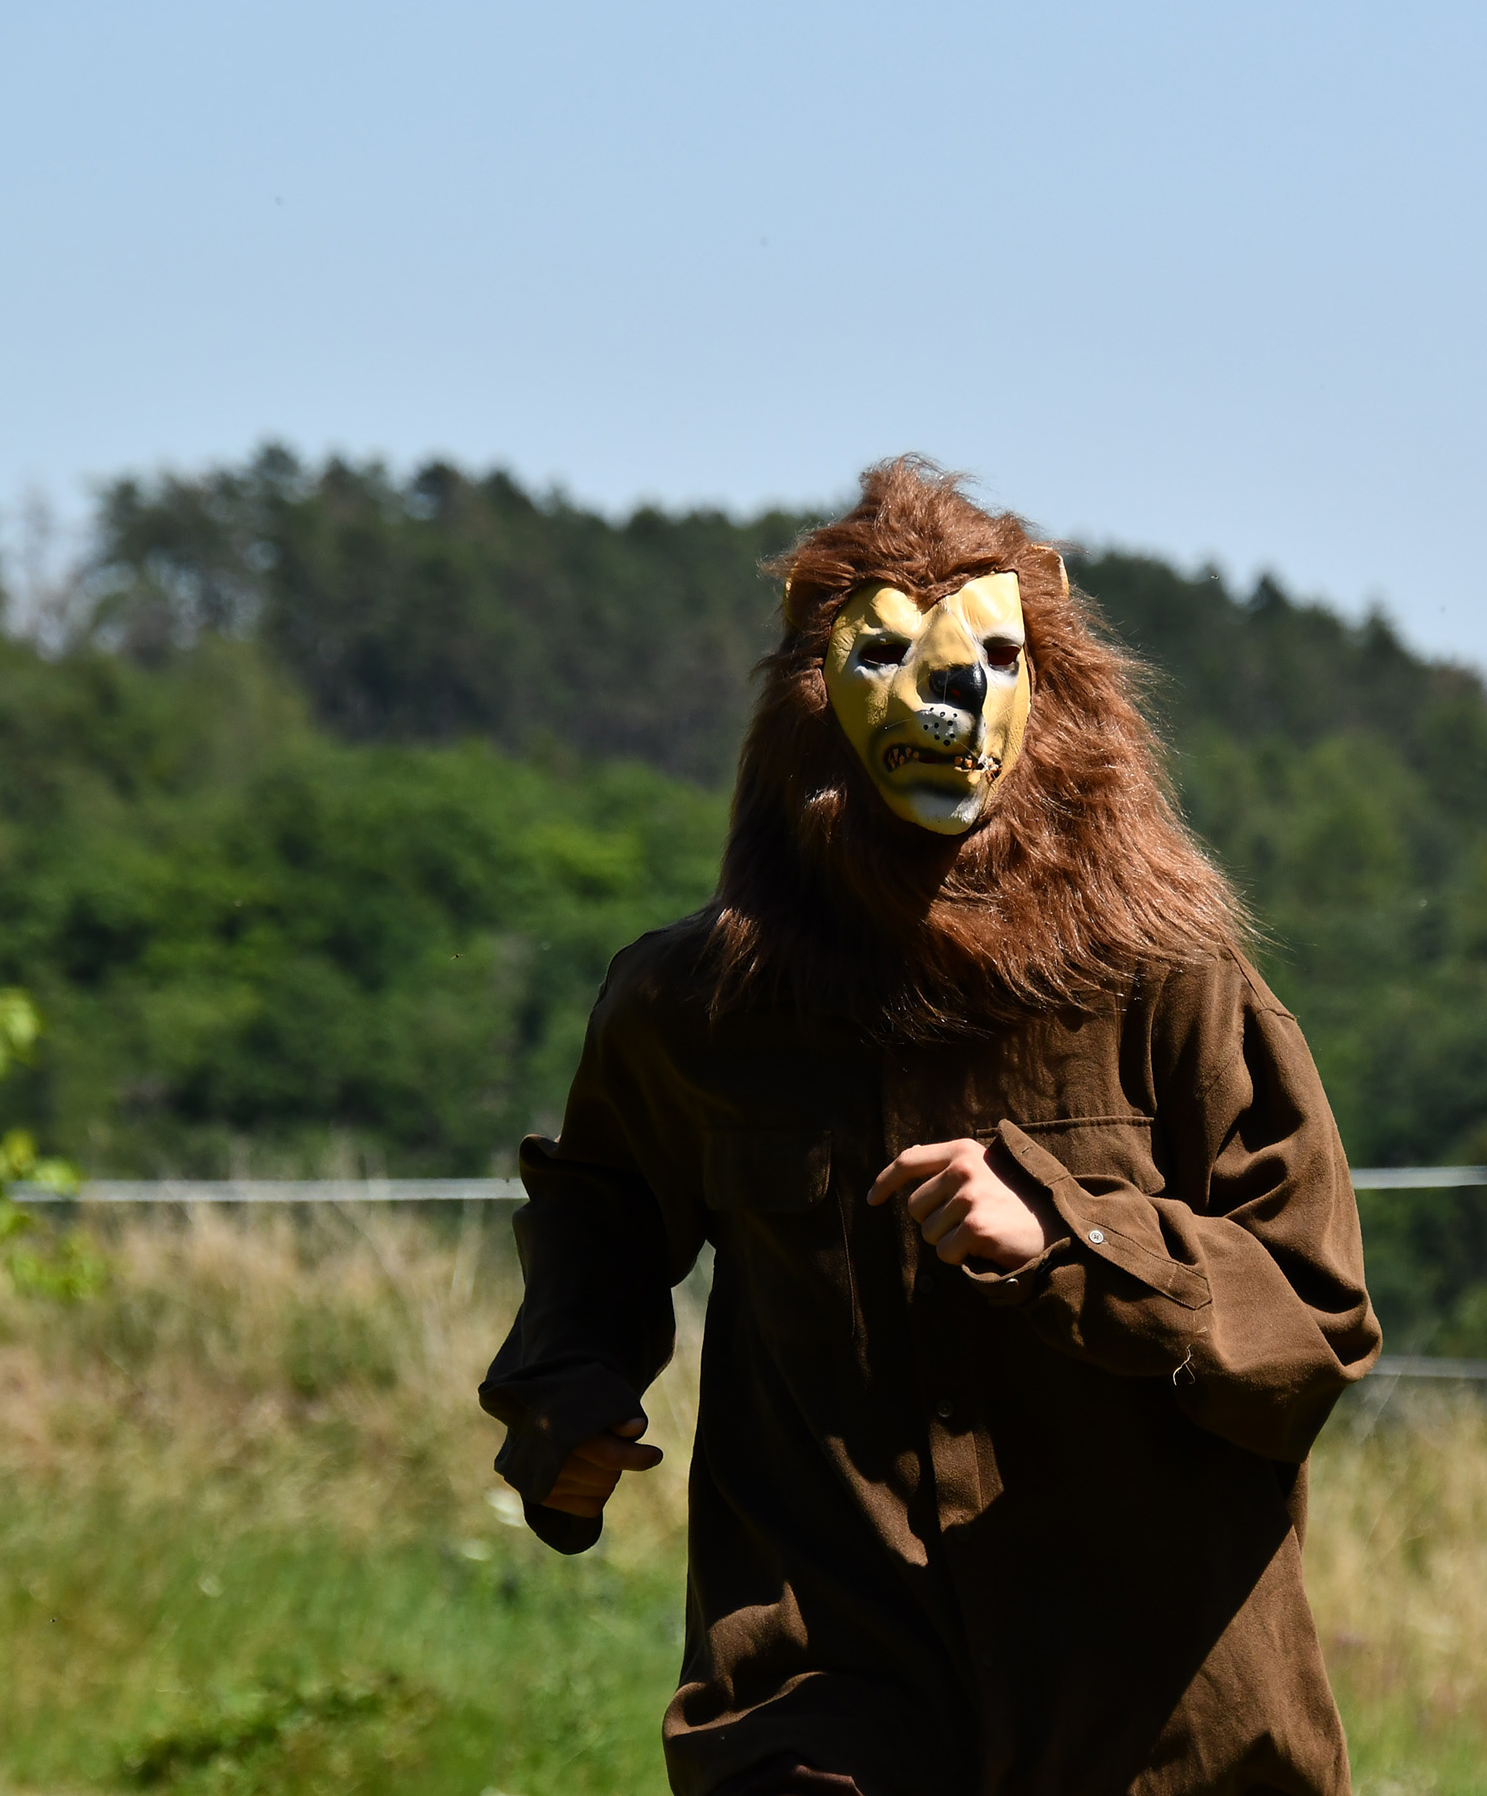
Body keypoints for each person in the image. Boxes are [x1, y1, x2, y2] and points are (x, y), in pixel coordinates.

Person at [480, 458, 1381, 1795]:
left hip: (1155, 1722)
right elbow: (600, 1211)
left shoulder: (1174, 990)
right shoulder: (690, 1009)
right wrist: (567, 1400)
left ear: (1055, 695)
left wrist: (1070, 1241)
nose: (946, 694)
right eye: (883, 656)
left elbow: (1313, 1323)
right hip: (828, 1701)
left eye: (995, 657)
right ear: (808, 698)